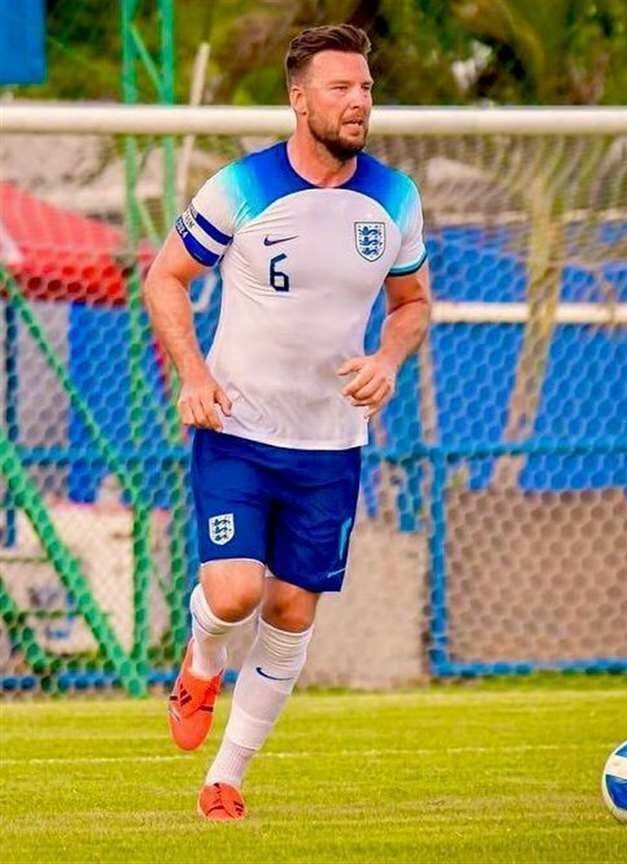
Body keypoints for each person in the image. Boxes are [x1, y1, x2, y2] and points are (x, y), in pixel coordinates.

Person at [143, 23, 431, 821]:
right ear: (298, 99)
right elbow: (166, 279)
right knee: (233, 594)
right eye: (340, 88)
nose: (358, 101)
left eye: (366, 88)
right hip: (237, 428)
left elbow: (412, 306)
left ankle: (225, 779)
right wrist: (194, 375)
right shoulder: (239, 187)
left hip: (331, 444)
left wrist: (387, 359)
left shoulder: (395, 198)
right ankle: (200, 664)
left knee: (293, 611)